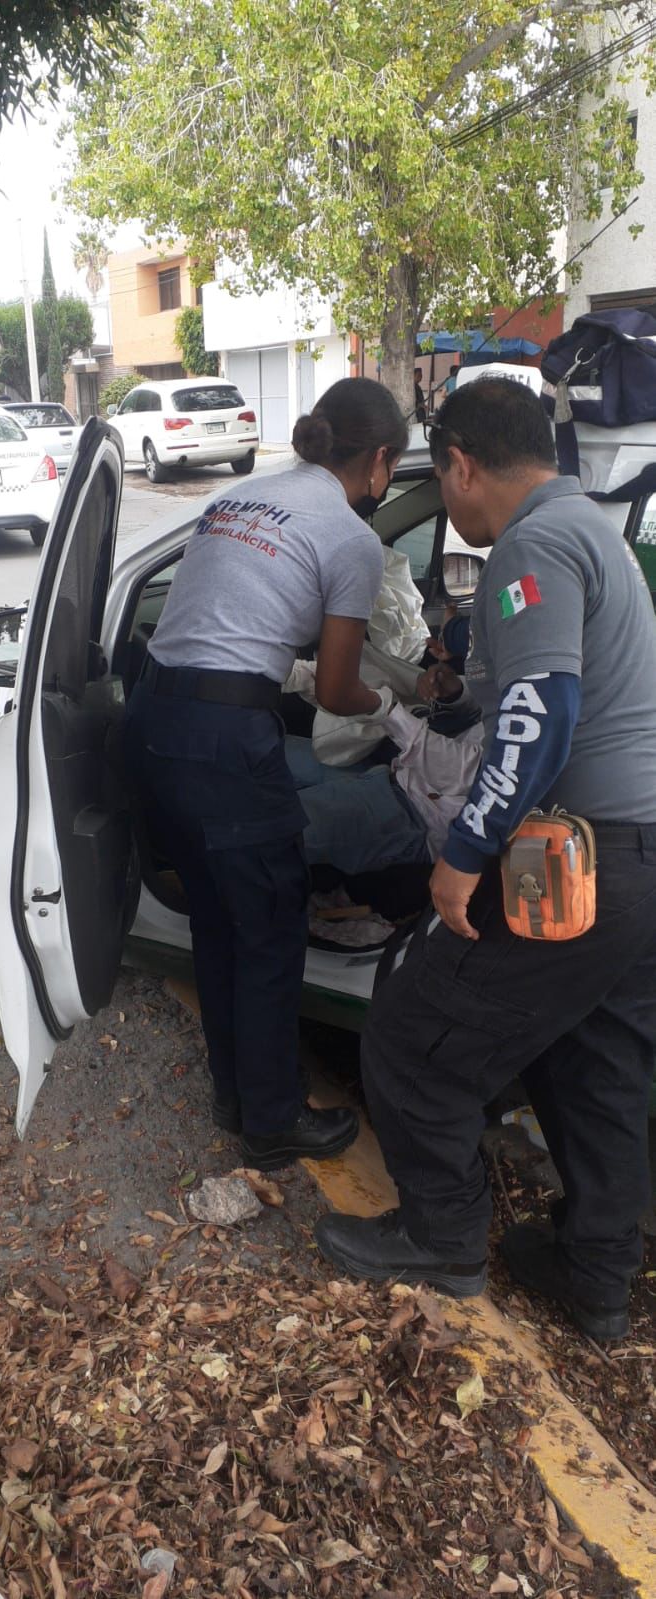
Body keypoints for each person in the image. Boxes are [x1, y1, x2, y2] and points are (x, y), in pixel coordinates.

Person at [315, 376, 656, 1341]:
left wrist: (463, 854)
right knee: (597, 1069)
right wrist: (461, 678)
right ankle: (593, 1281)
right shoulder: (591, 529)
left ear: (458, 464)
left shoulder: (531, 545)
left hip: (575, 858)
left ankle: (443, 1243)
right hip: (638, 856)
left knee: (413, 1034)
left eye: (446, 477)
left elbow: (539, 715)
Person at [124, 378, 409, 1171]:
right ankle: (274, 1122)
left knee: (219, 920)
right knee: (272, 923)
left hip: (153, 721)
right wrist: (399, 698)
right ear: (381, 460)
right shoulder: (351, 539)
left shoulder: (243, 499)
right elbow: (336, 690)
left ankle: (236, 1093)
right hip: (224, 740)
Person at [286, 664, 484, 878]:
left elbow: (461, 773)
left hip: (414, 814)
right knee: (269, 752)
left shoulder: (522, 742)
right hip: (391, 769)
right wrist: (456, 694)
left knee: (271, 823)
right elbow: (484, 709)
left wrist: (385, 709)